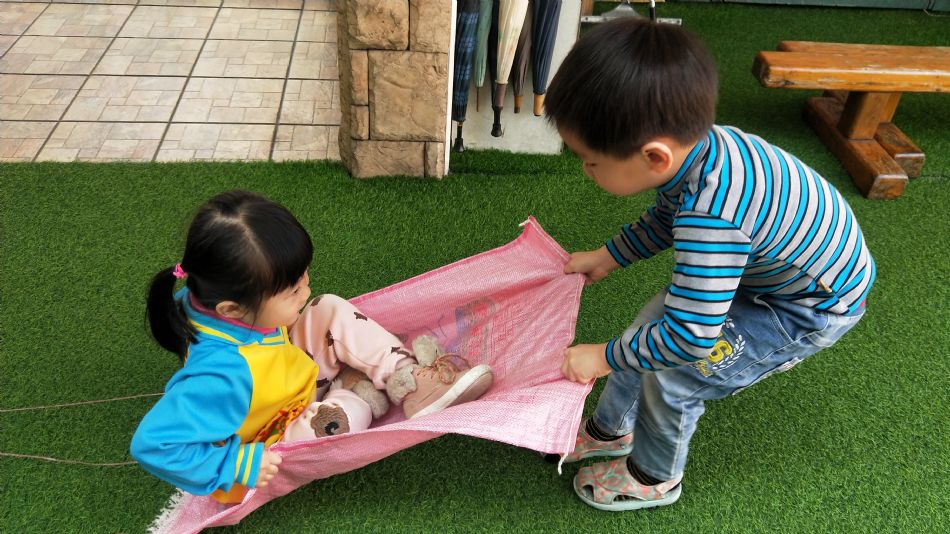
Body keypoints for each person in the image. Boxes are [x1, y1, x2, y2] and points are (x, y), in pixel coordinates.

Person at [544, 18, 874, 511]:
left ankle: (654, 476)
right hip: (768, 269)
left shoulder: (713, 217)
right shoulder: (698, 152)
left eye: (590, 160)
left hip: (808, 306)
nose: (585, 170)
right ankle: (611, 430)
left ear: (655, 156)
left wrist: (604, 357)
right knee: (650, 332)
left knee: (675, 375)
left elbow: (690, 338)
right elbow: (665, 217)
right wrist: (609, 256)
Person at [130, 190, 493, 504]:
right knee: (337, 422)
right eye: (293, 291)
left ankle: (409, 381)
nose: (305, 288)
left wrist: (287, 311)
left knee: (327, 306)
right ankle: (353, 393)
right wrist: (238, 465)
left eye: (302, 275)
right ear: (232, 309)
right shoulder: (221, 377)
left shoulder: (205, 294)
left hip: (284, 378)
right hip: (274, 436)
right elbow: (151, 445)